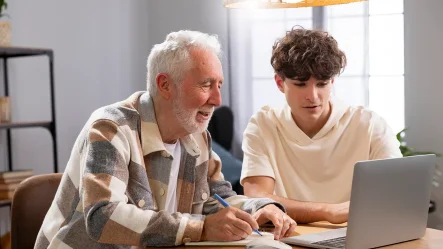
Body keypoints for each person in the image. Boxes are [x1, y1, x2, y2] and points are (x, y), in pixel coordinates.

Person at [35, 30, 296, 249]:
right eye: (206, 85)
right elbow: (103, 217)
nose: (217, 100)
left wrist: (262, 208)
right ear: (165, 85)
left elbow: (218, 199)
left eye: (219, 85)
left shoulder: (197, 136)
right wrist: (201, 228)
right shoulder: (111, 128)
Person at [241, 27, 402, 224]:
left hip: (355, 236)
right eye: (301, 85)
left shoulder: (370, 125)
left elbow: (396, 194)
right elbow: (257, 196)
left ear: (332, 81)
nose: (313, 96)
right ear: (279, 83)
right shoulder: (263, 124)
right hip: (291, 237)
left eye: (322, 84)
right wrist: (328, 212)